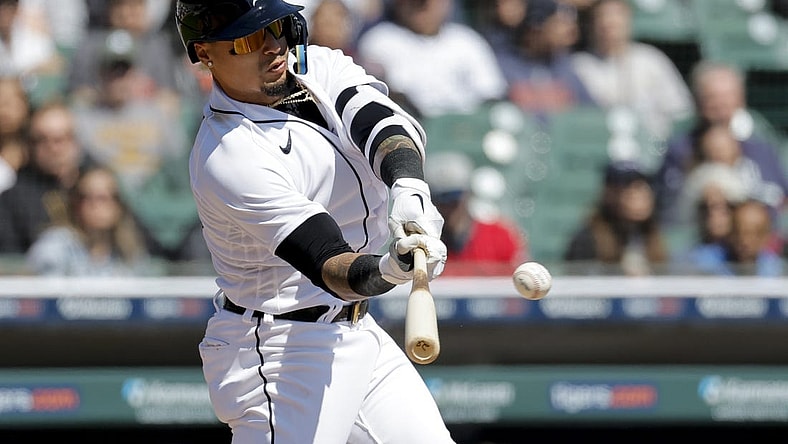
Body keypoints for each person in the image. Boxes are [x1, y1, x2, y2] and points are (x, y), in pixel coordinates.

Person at [174, 1, 454, 443]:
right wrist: (390, 268)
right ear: (205, 53)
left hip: (357, 330)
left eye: (277, 27)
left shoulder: (316, 65)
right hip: (281, 350)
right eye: (249, 38)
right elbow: (328, 264)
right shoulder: (229, 154)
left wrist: (407, 186)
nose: (273, 46)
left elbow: (380, 121)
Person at [653, 60, 788, 225]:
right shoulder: (679, 150)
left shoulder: (761, 146)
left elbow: (780, 197)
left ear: (741, 100)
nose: (720, 105)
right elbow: (669, 209)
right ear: (696, 101)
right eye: (711, 97)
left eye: (728, 97)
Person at [356, 0, 507, 119]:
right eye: (416, 3)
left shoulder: (467, 40)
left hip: (468, 129)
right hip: (413, 127)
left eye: (428, 3)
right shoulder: (378, 41)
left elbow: (491, 96)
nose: (423, 8)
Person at [570, 0, 694, 140]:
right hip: (598, 141)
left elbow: (680, 110)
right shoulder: (579, 66)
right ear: (592, 24)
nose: (609, 23)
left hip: (653, 142)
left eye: (616, 16)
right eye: (601, 17)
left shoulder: (651, 59)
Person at [26, 164, 162, 276]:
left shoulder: (130, 252)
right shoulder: (56, 245)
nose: (96, 204)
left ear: (119, 205)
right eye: (87, 196)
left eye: (104, 197)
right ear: (76, 203)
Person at [0, 100, 89, 253]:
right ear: (30, 146)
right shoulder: (13, 200)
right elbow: (10, 260)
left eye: (60, 140)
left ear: (76, 142)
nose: (53, 148)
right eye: (42, 140)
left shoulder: (97, 190)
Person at [424, 150, 528, 276]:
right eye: (439, 200)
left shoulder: (500, 236)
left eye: (453, 198)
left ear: (468, 194)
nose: (447, 207)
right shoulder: (422, 245)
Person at [564, 159, 669, 275]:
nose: (637, 194)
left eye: (642, 186)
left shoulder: (652, 237)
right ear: (609, 193)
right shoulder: (587, 241)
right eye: (628, 186)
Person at [494, 0, 596, 120]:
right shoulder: (503, 65)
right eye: (560, 22)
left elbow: (593, 112)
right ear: (536, 26)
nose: (570, 31)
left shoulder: (564, 65)